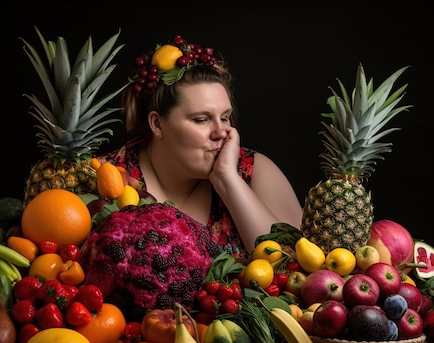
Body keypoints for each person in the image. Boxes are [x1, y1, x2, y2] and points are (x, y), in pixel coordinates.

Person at [96, 34, 302, 260]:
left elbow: (295, 269)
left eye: (225, 118)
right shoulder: (105, 177)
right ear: (157, 124)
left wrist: (227, 179)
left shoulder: (255, 171)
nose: (221, 132)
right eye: (202, 119)